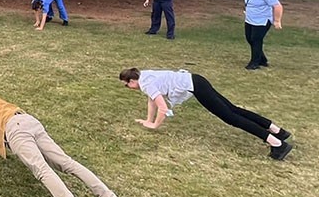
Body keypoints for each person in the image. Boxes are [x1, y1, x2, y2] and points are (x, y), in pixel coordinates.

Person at [118, 67, 293, 160]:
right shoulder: (145, 76)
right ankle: (278, 131)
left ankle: (277, 144)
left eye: (127, 85)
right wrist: (148, 120)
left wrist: (155, 125)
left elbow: (163, 108)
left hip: (196, 86)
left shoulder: (146, 83)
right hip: (197, 80)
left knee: (231, 117)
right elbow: (152, 101)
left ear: (132, 80)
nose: (127, 88)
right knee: (233, 110)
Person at [243, 0, 283, 70]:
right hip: (249, 20)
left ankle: (254, 63)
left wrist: (277, 21)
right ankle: (262, 59)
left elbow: (277, 6)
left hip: (262, 21)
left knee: (256, 39)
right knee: (249, 38)